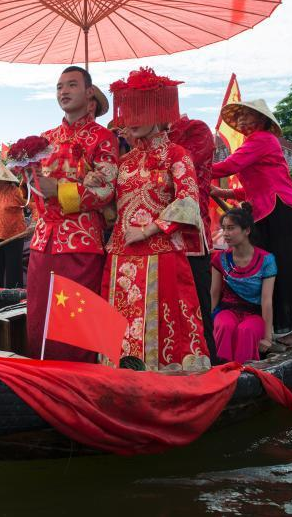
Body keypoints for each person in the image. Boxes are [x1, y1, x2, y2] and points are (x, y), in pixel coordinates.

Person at [100, 67, 210, 371]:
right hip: (121, 256)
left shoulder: (177, 155)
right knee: (120, 324)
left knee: (164, 324)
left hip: (161, 252)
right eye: (127, 113)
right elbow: (111, 207)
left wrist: (150, 229)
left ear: (159, 113)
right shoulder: (123, 162)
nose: (129, 121)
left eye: (139, 112)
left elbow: (188, 201)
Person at [27, 65, 119, 361]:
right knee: (40, 318)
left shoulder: (104, 138)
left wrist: (60, 190)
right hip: (43, 241)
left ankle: (78, 388)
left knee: (76, 325)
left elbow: (106, 189)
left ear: (89, 92)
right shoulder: (44, 139)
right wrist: (33, 184)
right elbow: (35, 191)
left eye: (71, 85)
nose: (63, 92)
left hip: (81, 244)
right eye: (59, 87)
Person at [211, 99, 292, 346]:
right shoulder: (254, 143)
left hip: (283, 210)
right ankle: (277, 324)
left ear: (262, 120)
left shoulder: (262, 139)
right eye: (239, 118)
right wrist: (222, 193)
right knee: (270, 268)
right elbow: (252, 188)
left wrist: (192, 167)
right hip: (268, 210)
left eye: (248, 116)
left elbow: (230, 166)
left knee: (289, 268)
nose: (242, 122)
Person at [168, 110, 218, 364]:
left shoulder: (195, 130)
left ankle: (208, 365)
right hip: (151, 241)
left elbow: (181, 163)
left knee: (196, 308)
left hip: (191, 236)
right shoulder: (135, 139)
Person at [211, 205, 277, 364]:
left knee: (246, 331)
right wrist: (205, 328)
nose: (225, 233)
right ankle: (218, 370)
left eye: (231, 228)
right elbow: (214, 294)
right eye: (224, 228)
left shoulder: (266, 260)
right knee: (224, 327)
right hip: (227, 310)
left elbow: (267, 301)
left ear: (246, 231)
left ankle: (243, 374)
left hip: (254, 314)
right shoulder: (219, 259)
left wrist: (268, 338)